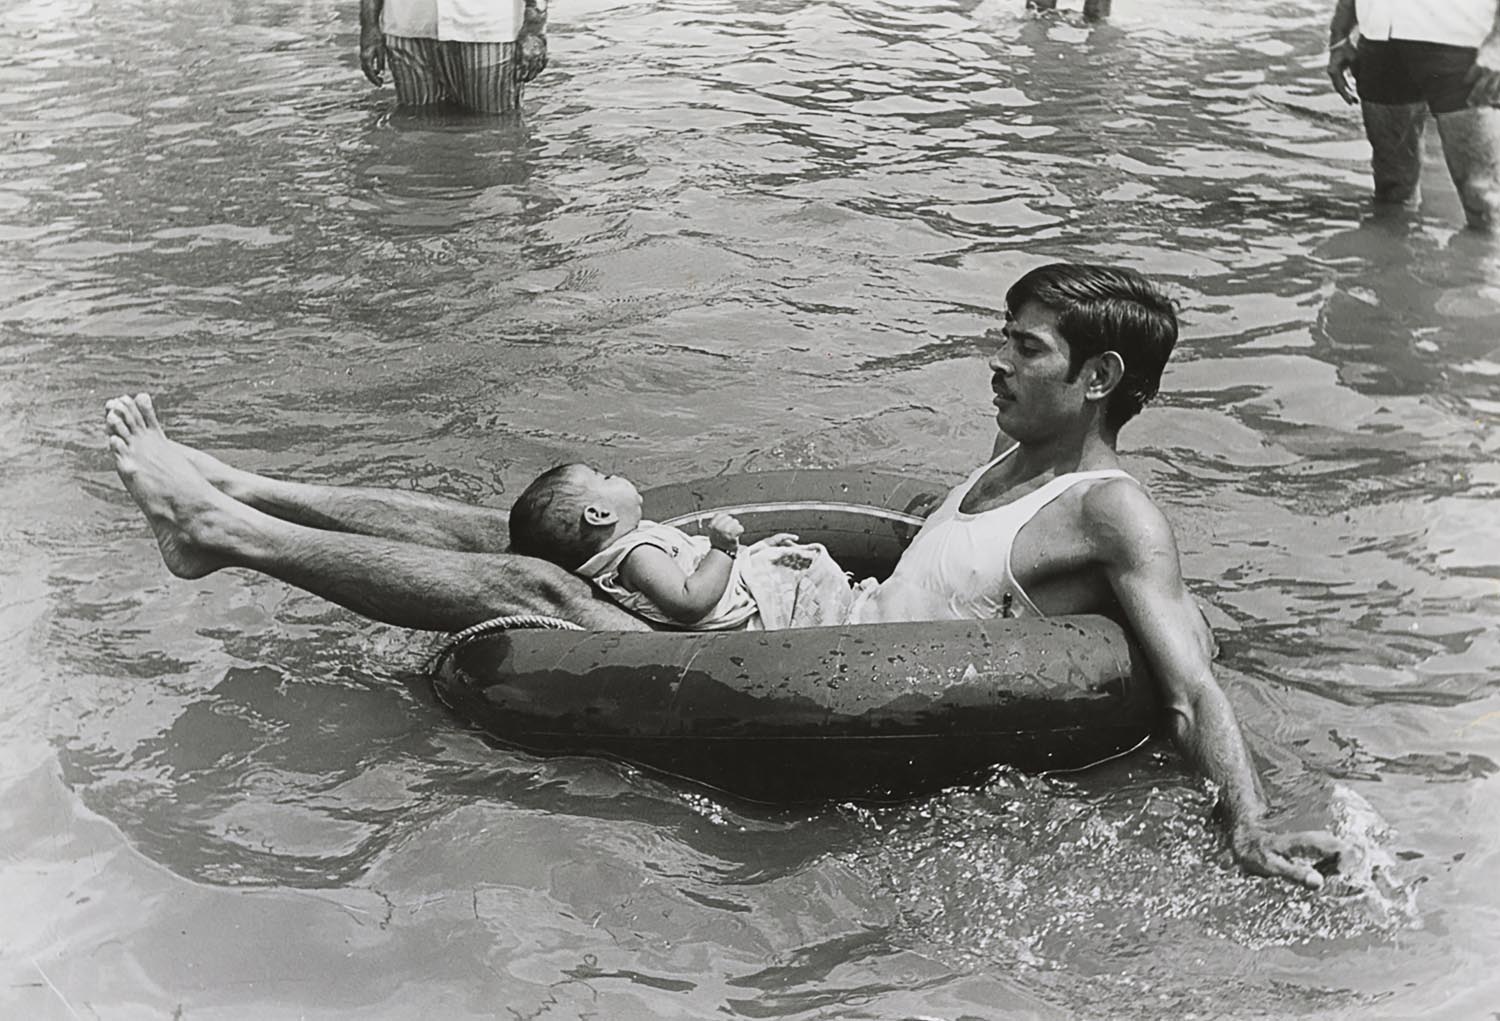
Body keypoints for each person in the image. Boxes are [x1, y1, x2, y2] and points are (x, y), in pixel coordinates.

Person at [104, 261, 1344, 888]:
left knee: (547, 597)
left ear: (1100, 381)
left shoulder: (1114, 511)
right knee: (531, 527)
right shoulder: (1009, 452)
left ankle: (222, 539)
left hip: (809, 671)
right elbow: (922, 553)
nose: (994, 364)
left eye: (1021, 350)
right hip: (819, 608)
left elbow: (1183, 682)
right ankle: (247, 483)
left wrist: (1244, 812)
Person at [507, 463, 845, 630]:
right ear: (600, 514)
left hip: (733, 588)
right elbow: (691, 601)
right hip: (744, 616)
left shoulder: (633, 545)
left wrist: (751, 552)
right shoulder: (637, 557)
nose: (615, 475)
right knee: (817, 572)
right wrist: (724, 548)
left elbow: (694, 564)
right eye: (604, 478)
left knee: (794, 560)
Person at [1326, 0, 1500, 229]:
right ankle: (1395, 262)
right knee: (1392, 190)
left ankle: (1484, 263)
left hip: (1462, 41)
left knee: (1482, 195)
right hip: (1379, 37)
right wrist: (1340, 33)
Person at [359, 0, 549, 114]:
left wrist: (534, 29)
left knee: (495, 133)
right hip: (407, 25)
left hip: (488, 28)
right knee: (415, 130)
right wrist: (369, 26)